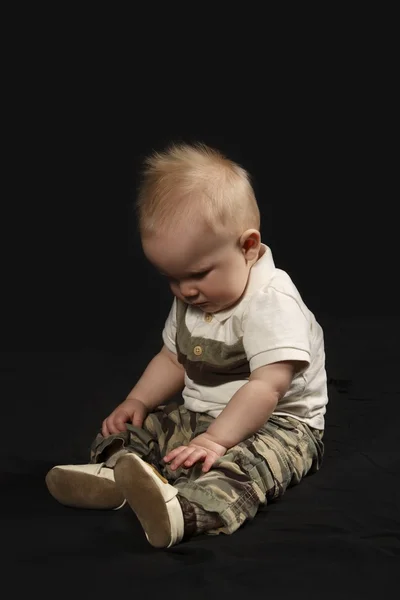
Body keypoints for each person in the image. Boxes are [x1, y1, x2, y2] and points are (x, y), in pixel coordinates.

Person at [45, 142, 327, 549]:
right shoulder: (195, 297)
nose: (185, 291)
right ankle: (116, 474)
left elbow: (267, 387)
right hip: (204, 413)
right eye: (171, 279)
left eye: (196, 274)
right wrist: (137, 401)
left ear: (248, 247)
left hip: (278, 423)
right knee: (142, 428)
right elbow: (172, 358)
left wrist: (215, 441)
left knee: (248, 467)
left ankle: (183, 511)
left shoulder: (271, 301)